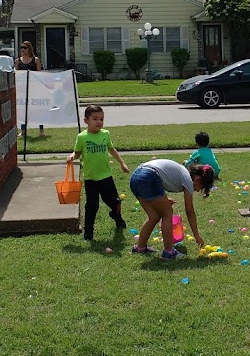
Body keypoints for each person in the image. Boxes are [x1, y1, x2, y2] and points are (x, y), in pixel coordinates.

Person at [129, 159, 214, 260]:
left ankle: (140, 248)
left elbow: (162, 179)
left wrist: (163, 200)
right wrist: (196, 235)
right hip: (149, 177)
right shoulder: (188, 180)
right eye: (202, 187)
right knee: (167, 212)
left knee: (154, 216)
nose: (199, 190)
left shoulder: (182, 172)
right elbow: (189, 210)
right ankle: (169, 252)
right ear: (197, 180)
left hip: (136, 177)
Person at [67, 105, 130, 241]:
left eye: (101, 119)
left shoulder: (105, 134)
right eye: (95, 119)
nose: (99, 122)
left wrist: (122, 163)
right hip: (91, 178)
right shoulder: (82, 137)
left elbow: (112, 149)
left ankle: (117, 217)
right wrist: (72, 156)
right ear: (86, 120)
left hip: (106, 176)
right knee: (92, 206)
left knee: (115, 202)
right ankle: (88, 232)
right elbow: (77, 152)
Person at [16, 40, 46, 138]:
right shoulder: (17, 61)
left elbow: (39, 74)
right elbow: (16, 75)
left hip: (34, 88)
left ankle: (41, 131)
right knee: (22, 110)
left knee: (38, 109)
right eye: (21, 47)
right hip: (22, 89)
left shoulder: (35, 60)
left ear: (29, 49)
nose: (23, 49)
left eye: (25, 47)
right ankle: (23, 131)